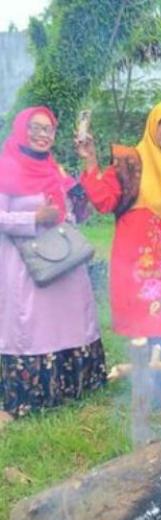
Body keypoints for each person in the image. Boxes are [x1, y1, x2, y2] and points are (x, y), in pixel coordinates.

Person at [0, 107, 105, 418]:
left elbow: (78, 213)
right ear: (21, 129)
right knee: (32, 323)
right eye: (35, 128)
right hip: (26, 265)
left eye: (49, 129)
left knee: (72, 317)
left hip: (64, 261)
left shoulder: (55, 170)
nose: (42, 135)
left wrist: (87, 164)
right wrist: (34, 217)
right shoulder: (6, 167)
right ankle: (32, 396)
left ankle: (75, 386)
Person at [79, 101, 161, 341]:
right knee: (143, 336)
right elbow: (104, 202)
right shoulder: (130, 162)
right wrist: (90, 160)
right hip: (139, 265)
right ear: (153, 124)